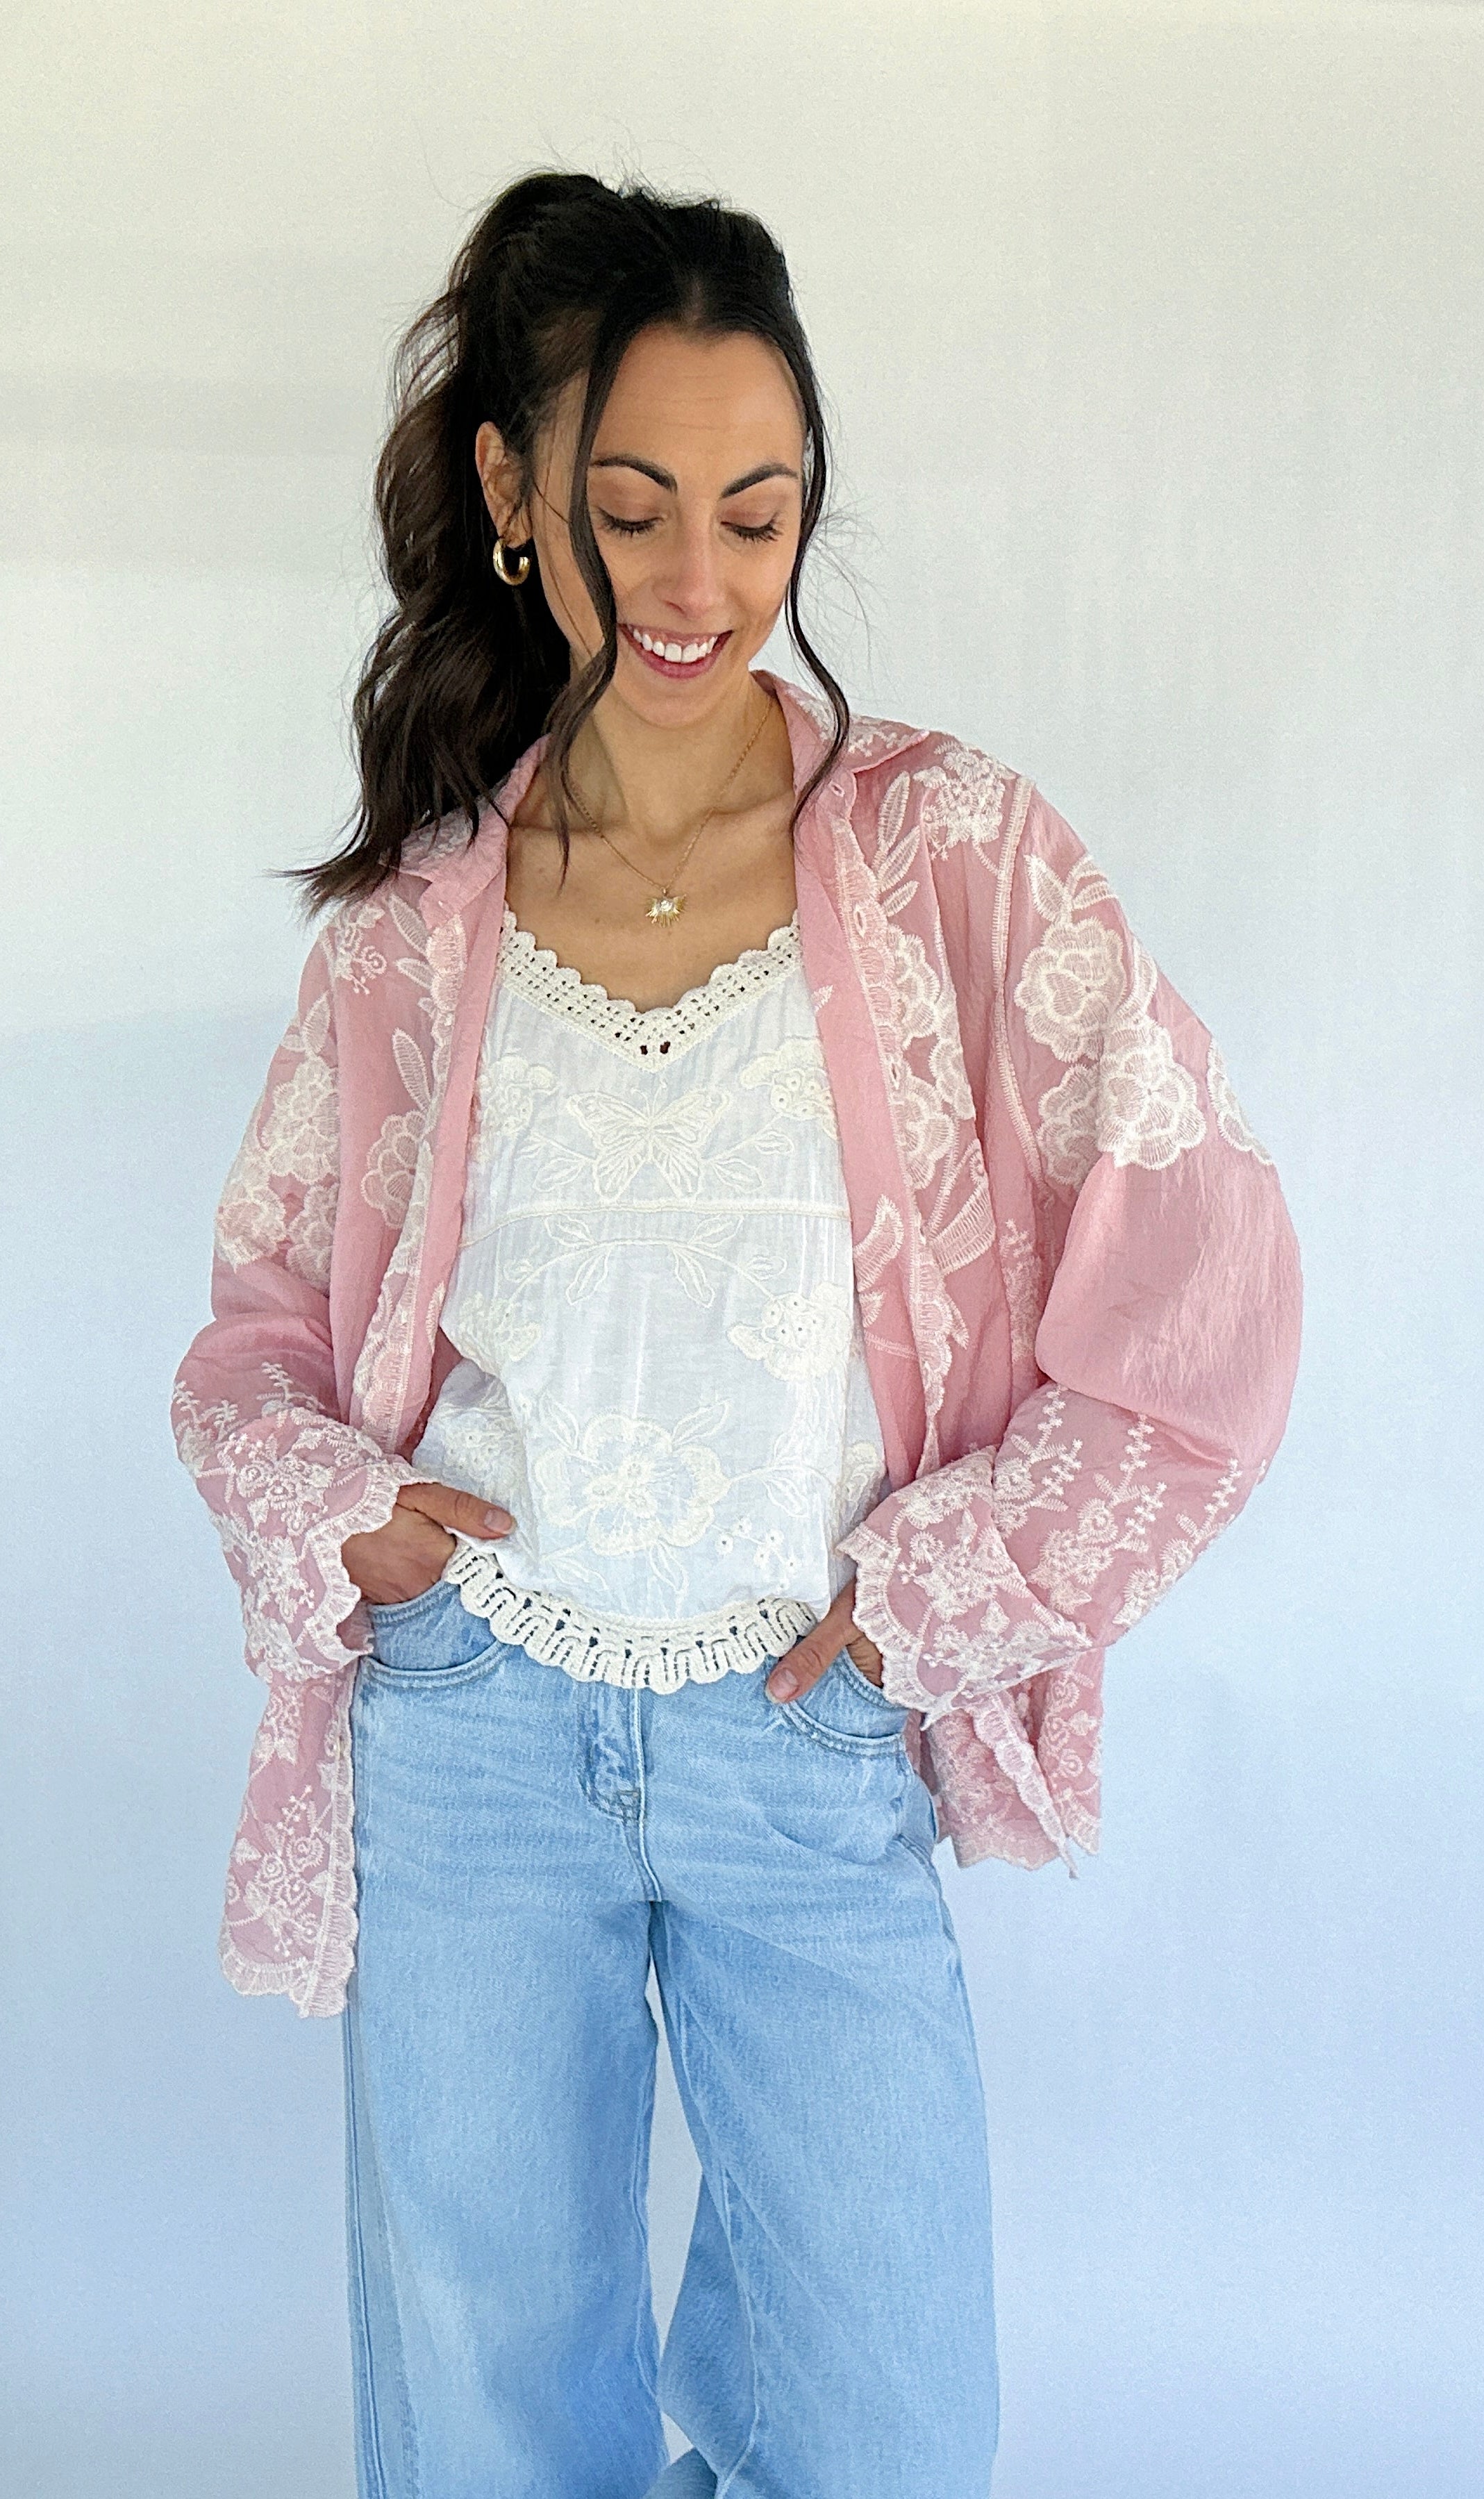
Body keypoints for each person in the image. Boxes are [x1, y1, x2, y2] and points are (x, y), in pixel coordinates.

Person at [172, 168, 1303, 2499]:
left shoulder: (950, 860)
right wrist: (343, 1513)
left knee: (884, 2427)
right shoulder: (415, 925)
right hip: (473, 1734)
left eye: (760, 515)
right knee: (491, 2427)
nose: (700, 582)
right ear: (513, 496)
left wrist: (936, 1603)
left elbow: (1204, 1313)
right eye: (635, 508)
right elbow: (259, 1326)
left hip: (808, 1727)